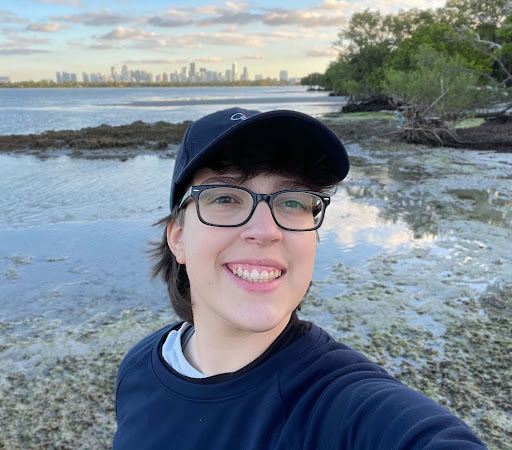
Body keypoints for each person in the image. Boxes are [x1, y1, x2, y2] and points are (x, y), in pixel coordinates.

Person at [113, 107, 486, 449]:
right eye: (225, 198)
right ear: (178, 238)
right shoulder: (138, 368)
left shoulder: (344, 406)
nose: (265, 230)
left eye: (292, 201)